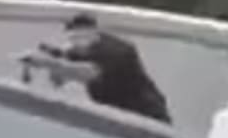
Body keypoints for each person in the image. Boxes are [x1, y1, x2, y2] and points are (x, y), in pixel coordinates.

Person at [24, 13, 172, 124]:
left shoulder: (116, 51)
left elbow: (89, 73)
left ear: (94, 33)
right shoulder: (79, 50)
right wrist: (55, 67)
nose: (76, 42)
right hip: (119, 117)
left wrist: (49, 63)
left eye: (79, 37)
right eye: (72, 38)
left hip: (148, 119)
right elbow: (61, 78)